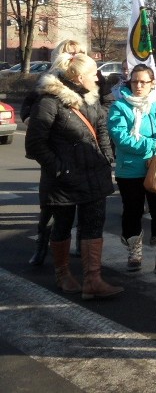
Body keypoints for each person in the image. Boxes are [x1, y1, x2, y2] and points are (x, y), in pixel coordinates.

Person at [25, 53, 123, 299]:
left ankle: (93, 280)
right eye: (93, 75)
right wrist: (60, 169)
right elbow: (35, 144)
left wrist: (106, 157)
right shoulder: (49, 101)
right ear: (80, 77)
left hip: (93, 174)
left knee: (93, 226)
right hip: (63, 181)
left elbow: (101, 127)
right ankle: (63, 274)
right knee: (63, 226)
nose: (97, 79)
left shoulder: (90, 97)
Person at [108, 63, 156, 274]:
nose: (139, 85)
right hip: (131, 169)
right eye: (135, 81)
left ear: (152, 84)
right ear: (129, 83)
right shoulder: (119, 106)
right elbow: (121, 138)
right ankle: (134, 251)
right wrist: (153, 144)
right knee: (132, 211)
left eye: (143, 82)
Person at [23, 39, 87, 266]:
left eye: (79, 52)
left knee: (84, 203)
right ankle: (42, 244)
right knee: (51, 203)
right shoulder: (50, 81)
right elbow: (29, 105)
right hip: (56, 151)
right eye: (71, 52)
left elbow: (102, 106)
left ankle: (80, 244)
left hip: (83, 153)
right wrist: (31, 119)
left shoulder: (89, 80)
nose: (75, 56)